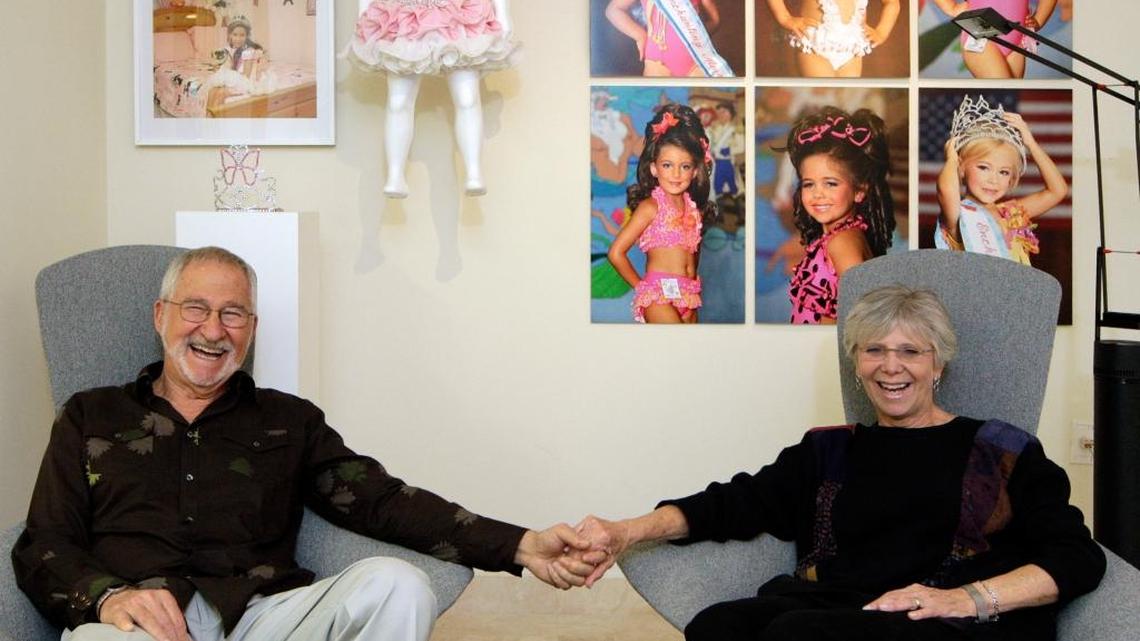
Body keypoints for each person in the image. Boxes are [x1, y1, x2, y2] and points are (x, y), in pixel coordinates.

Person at [13, 247, 602, 641]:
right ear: (161, 316)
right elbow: (45, 540)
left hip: (260, 617)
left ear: (253, 329)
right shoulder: (91, 414)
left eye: (233, 313)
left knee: (398, 583)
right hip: (138, 621)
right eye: (197, 308)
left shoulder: (287, 421)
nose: (213, 330)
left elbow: (384, 500)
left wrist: (519, 546)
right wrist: (107, 598)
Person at [561, 285, 1106, 641]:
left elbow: (1077, 557)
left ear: (938, 363)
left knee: (798, 632)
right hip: (845, 606)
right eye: (873, 350)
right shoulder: (829, 449)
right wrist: (625, 530)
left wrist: (964, 600)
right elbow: (733, 503)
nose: (890, 367)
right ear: (856, 361)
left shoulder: (1003, 451)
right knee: (720, 625)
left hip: (946, 618)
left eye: (910, 352)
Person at [345, 0, 518, 198]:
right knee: (398, 102)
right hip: (404, 12)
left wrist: (503, 11)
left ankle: (474, 171)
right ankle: (395, 175)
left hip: (458, 11)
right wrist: (364, 11)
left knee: (467, 97)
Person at [781, 106, 895, 324]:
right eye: (808, 184)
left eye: (831, 183)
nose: (818, 194)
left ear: (859, 191)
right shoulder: (837, 238)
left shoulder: (842, 242)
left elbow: (858, 317)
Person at [606, 104, 716, 324]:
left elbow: (693, 253)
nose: (676, 174)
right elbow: (615, 253)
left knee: (689, 356)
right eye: (667, 165)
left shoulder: (694, 210)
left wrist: (693, 283)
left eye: (684, 167)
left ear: (695, 170)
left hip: (689, 295)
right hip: (658, 297)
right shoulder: (651, 207)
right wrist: (643, 288)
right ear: (654, 168)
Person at [935, 95, 1068, 266]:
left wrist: (1031, 143)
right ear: (961, 169)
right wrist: (952, 159)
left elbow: (1058, 191)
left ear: (1012, 178)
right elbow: (946, 190)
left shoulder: (1011, 214)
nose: (993, 180)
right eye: (983, 168)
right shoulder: (958, 214)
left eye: (1004, 172)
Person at [766, 0, 901, 77]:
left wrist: (882, 32)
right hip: (815, 47)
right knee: (823, 99)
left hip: (851, 49)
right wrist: (784, 18)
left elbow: (892, 3)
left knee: (845, 102)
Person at [930, 0, 1058, 79]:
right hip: (982, 35)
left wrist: (1039, 20)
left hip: (1016, 38)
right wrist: (951, 7)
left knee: (1007, 109)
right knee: (1004, 97)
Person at [605, 0, 733, 77]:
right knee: (659, 114)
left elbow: (715, 20)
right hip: (657, 63)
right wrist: (640, 36)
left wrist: (699, 39)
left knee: (692, 114)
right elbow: (613, 10)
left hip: (695, 64)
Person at [205, 17, 274, 112]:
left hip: (250, 82)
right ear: (230, 35)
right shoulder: (233, 50)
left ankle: (215, 121)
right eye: (235, 35)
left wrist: (230, 81)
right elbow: (233, 68)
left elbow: (246, 77)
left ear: (247, 36)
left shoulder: (248, 51)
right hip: (241, 79)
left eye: (242, 35)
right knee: (212, 91)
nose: (238, 39)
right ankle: (210, 120)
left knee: (220, 93)